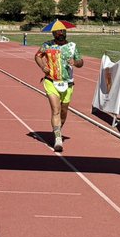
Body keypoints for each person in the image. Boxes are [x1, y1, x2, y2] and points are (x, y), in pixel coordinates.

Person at [34, 24, 83, 153]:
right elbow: (38, 56)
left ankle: (57, 129)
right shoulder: (47, 45)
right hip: (51, 81)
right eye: (57, 32)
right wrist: (43, 66)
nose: (60, 34)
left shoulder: (72, 46)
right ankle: (58, 139)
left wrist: (75, 62)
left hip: (68, 84)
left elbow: (81, 62)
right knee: (55, 110)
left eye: (62, 31)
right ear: (53, 34)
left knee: (63, 112)